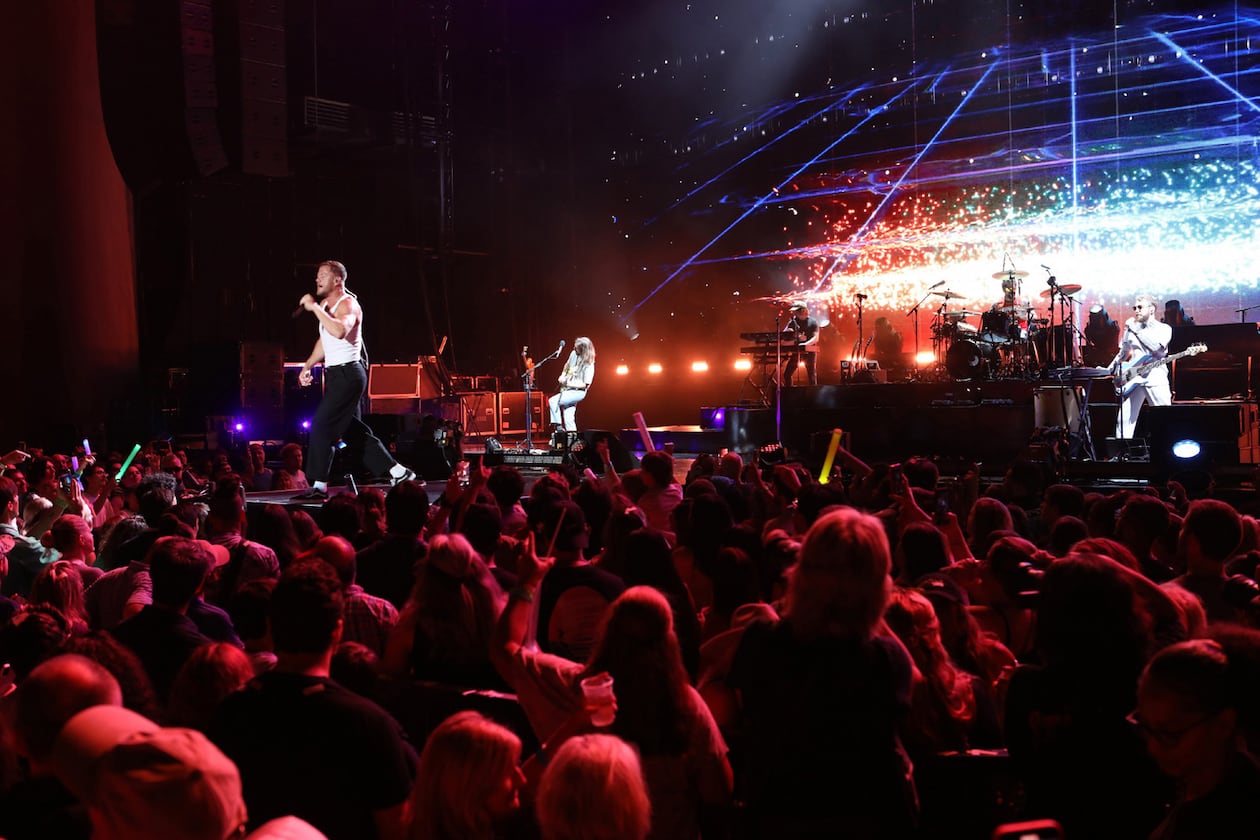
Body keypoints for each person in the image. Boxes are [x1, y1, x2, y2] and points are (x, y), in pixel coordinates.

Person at [294, 260, 417, 500]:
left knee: (321, 425)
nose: (317, 280)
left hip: (348, 374)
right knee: (349, 430)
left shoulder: (348, 304)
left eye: (322, 275)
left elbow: (339, 330)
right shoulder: (326, 306)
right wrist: (307, 366)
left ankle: (318, 486)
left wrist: (314, 308)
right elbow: (325, 340)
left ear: (337, 280)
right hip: (338, 374)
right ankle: (397, 471)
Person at [1111, 293, 1172, 439]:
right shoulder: (1131, 329)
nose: (1136, 310)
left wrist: (1137, 330)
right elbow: (1123, 353)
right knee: (1124, 420)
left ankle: (1166, 451)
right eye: (1135, 307)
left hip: (1155, 378)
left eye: (1140, 307)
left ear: (1151, 309)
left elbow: (1156, 349)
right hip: (1134, 377)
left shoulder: (1164, 328)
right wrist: (1109, 368)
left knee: (1164, 418)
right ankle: (1122, 454)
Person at [548, 336, 595, 433]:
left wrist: (569, 383)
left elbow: (586, 385)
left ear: (583, 350)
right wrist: (563, 375)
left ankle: (558, 427)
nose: (574, 349)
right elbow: (567, 365)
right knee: (569, 418)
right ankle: (572, 442)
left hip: (578, 392)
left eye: (577, 348)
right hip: (568, 390)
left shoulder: (589, 364)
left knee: (553, 401)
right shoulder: (573, 353)